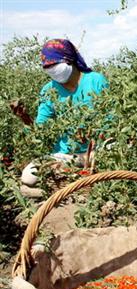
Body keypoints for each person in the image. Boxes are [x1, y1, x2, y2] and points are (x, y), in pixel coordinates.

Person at [20, 39, 108, 189]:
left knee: (117, 155)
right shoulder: (48, 90)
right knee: (29, 176)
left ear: (69, 60)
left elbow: (110, 119)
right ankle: (73, 178)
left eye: (54, 64)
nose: (51, 69)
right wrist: (25, 118)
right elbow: (40, 130)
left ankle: (77, 178)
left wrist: (91, 135)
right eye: (47, 66)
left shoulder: (96, 80)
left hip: (97, 151)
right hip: (66, 156)